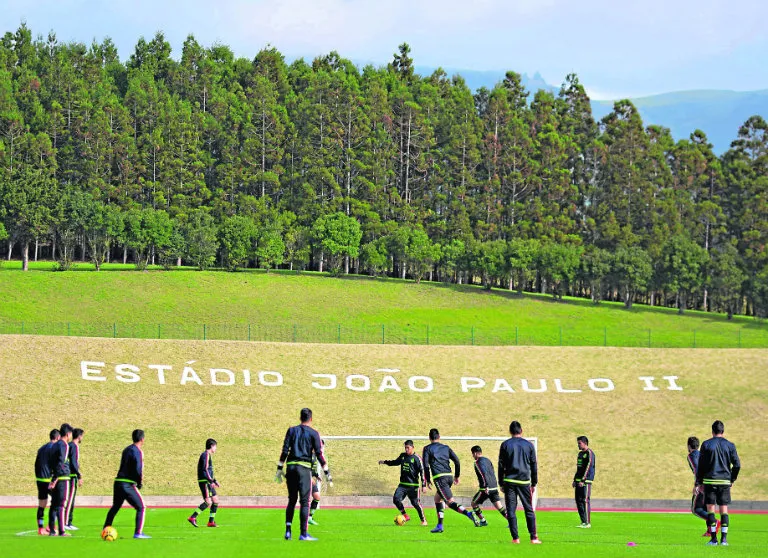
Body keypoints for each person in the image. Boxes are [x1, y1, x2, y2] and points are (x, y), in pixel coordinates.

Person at [276, 408, 331, 541]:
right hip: (304, 468)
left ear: (300, 417)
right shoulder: (314, 433)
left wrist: (279, 469)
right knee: (305, 502)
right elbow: (319, 454)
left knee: (292, 500)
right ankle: (303, 533)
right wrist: (327, 472)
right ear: (311, 419)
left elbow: (284, 451)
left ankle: (288, 531)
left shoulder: (291, 430)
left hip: (290, 467)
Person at [422, 428, 479, 533]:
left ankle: (469, 514)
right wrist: (457, 476)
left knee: (449, 502)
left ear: (429, 438)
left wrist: (427, 479)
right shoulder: (446, 447)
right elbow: (457, 461)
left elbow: (425, 465)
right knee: (437, 499)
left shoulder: (427, 448)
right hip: (449, 477)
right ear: (439, 437)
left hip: (440, 478)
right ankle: (439, 525)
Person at [696, 420, 740, 547]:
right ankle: (724, 540)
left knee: (710, 510)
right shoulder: (730, 445)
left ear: (712, 431)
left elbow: (701, 466)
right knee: (724, 510)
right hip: (724, 481)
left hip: (710, 481)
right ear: (723, 431)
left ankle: (714, 539)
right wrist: (731, 479)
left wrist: (699, 482)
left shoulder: (706, 444)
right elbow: (737, 465)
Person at [498, 421, 541, 544]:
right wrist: (534, 483)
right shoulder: (529, 445)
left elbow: (500, 465)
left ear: (510, 431)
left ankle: (515, 538)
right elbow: (534, 465)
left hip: (509, 481)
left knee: (511, 510)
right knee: (528, 509)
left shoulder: (505, 445)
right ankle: (533, 538)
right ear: (521, 430)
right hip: (524, 481)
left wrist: (501, 482)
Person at [103, 429, 150, 539]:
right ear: (142, 439)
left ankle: (105, 529)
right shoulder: (138, 451)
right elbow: (138, 469)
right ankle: (138, 533)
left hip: (118, 482)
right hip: (127, 484)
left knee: (115, 507)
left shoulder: (126, 449)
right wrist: (139, 482)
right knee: (141, 507)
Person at [378, 440, 427, 525]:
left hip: (413, 486)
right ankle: (405, 515)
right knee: (396, 499)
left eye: (408, 448)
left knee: (415, 503)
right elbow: (395, 462)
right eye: (405, 448)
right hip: (403, 485)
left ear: (413, 447)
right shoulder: (403, 456)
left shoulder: (417, 458)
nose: (406, 449)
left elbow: (423, 471)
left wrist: (423, 485)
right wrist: (385, 462)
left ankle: (423, 520)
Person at [470, 445, 507, 526]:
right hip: (494, 487)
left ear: (475, 453)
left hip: (485, 489)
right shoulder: (488, 460)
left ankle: (483, 521)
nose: (472, 456)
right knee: (499, 507)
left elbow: (483, 473)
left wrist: (486, 486)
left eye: (472, 454)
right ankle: (511, 522)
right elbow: (492, 472)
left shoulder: (477, 463)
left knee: (473, 504)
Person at [47, 423, 73, 537]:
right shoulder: (64, 445)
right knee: (62, 505)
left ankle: (52, 530)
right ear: (68, 434)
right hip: (62, 478)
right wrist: (56, 478)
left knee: (54, 504)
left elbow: (52, 462)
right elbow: (61, 462)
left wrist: (53, 478)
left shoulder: (54, 445)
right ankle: (62, 531)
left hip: (56, 477)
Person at [188, 438, 220, 528]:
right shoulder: (205, 455)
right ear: (211, 446)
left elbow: (209, 471)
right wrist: (210, 481)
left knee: (216, 500)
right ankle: (192, 517)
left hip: (208, 481)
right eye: (215, 447)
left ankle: (211, 522)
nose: (216, 449)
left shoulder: (208, 455)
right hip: (205, 482)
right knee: (208, 502)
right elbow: (205, 469)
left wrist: (214, 480)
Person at [34, 429, 59, 535]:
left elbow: (36, 463)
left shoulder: (41, 448)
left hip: (40, 479)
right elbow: (55, 464)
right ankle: (51, 526)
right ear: (58, 437)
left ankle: (40, 528)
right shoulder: (54, 448)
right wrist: (54, 478)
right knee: (57, 502)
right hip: (49, 479)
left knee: (42, 504)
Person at [687, 436, 712, 536]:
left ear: (689, 446)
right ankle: (710, 531)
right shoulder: (703, 454)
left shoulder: (691, 455)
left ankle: (714, 521)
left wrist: (697, 485)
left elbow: (697, 469)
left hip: (702, 484)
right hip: (710, 482)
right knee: (706, 508)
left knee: (695, 509)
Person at [572, 435, 595, 528]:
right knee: (578, 500)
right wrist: (574, 480)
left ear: (585, 443)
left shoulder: (589, 453)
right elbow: (579, 468)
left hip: (585, 481)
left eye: (579, 443)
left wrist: (583, 480)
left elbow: (588, 467)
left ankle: (588, 522)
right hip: (578, 481)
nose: (578, 445)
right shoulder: (580, 454)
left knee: (585, 500)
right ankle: (583, 521)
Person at [64, 428, 84, 531]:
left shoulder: (71, 446)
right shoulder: (74, 446)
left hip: (71, 475)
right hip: (71, 476)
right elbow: (73, 463)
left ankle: (68, 521)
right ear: (79, 436)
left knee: (71, 499)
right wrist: (79, 475)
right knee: (70, 499)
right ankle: (66, 522)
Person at [308, 439, 331, 526]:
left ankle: (310, 518)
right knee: (306, 500)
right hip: (304, 478)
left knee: (317, 496)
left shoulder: (315, 455)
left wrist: (316, 475)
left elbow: (312, 468)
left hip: (311, 478)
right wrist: (310, 477)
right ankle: (304, 519)